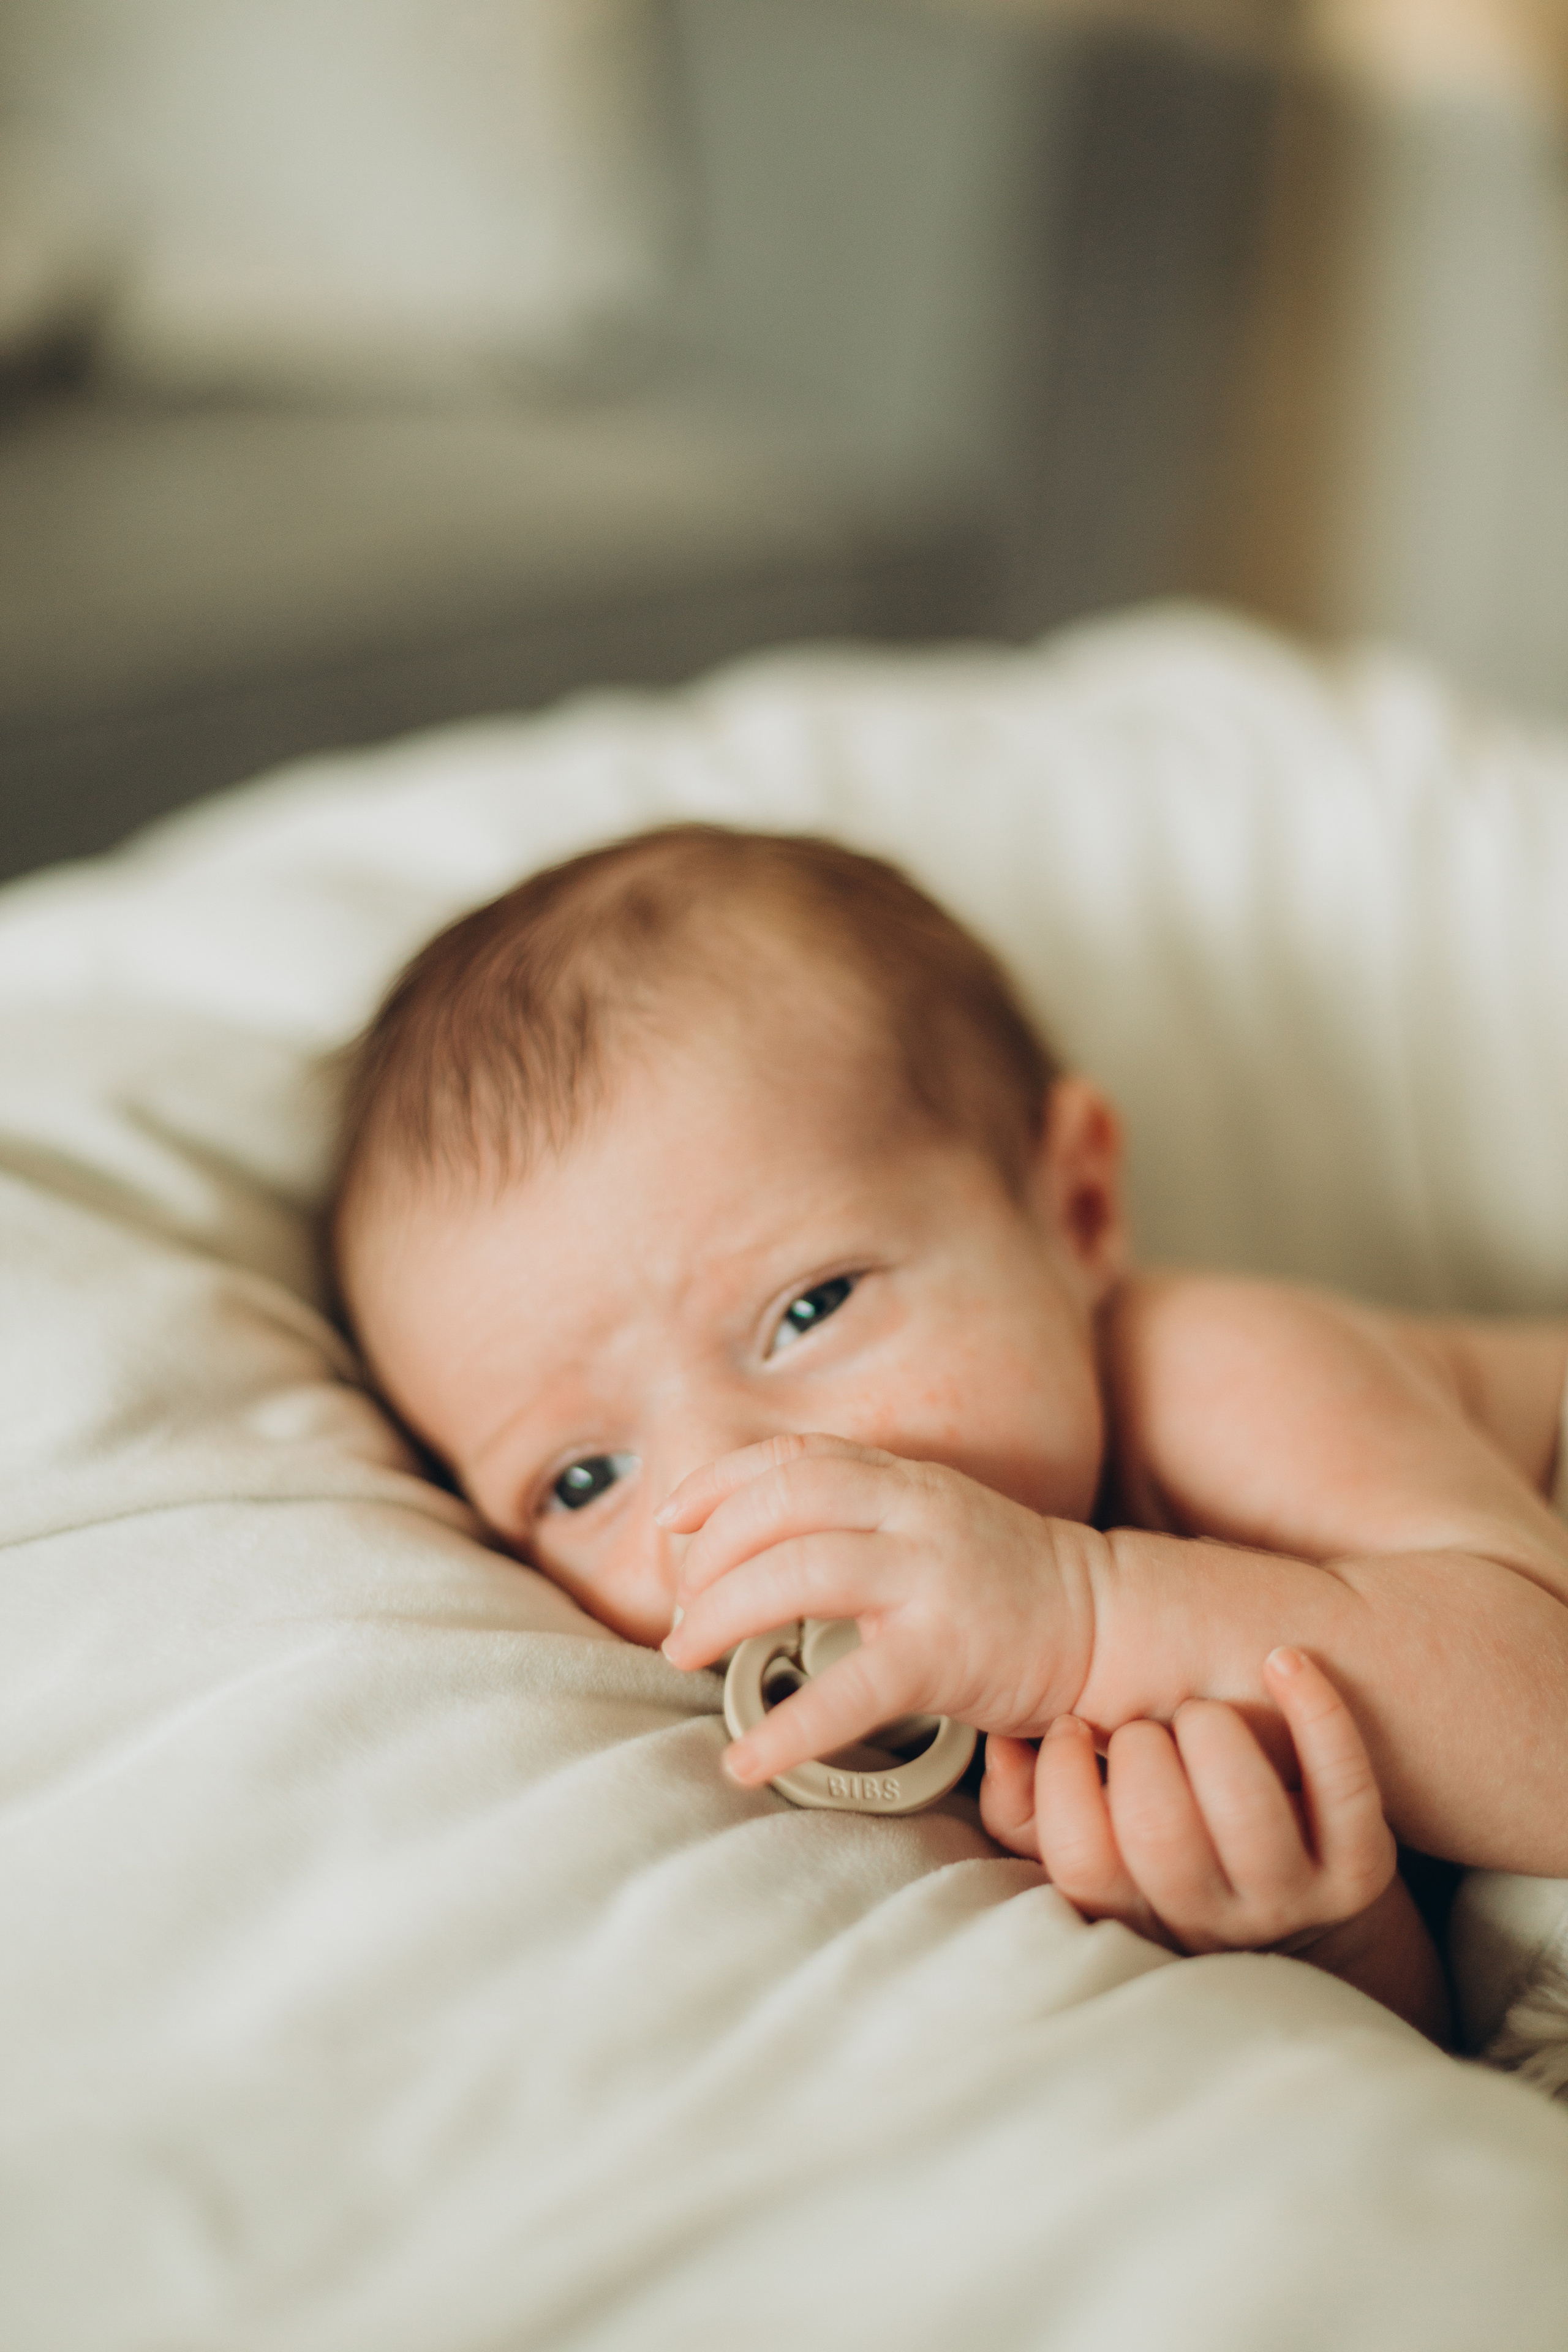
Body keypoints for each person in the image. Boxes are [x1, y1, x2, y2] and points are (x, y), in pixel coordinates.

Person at [331, 824, 1568, 2043]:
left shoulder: (1207, 1380)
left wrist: (1082, 1615)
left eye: (808, 1310)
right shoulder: (918, 1733)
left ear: (1073, 1210)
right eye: (585, 1477)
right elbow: (1437, 2037)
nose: (724, 1487)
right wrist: (1317, 1934)